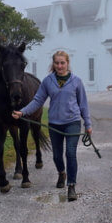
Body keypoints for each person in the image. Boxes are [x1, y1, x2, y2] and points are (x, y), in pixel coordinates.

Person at [12, 50, 92, 202]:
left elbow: (83, 105)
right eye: (57, 63)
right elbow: (37, 101)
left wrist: (88, 124)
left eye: (62, 63)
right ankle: (62, 173)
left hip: (72, 122)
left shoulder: (76, 81)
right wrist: (22, 112)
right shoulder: (48, 81)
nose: (60, 66)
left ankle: (71, 185)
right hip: (55, 123)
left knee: (70, 153)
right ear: (53, 64)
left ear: (67, 63)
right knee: (56, 156)